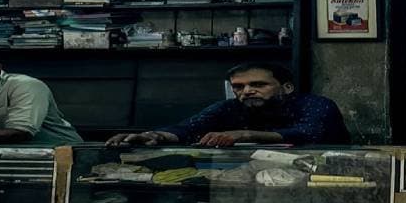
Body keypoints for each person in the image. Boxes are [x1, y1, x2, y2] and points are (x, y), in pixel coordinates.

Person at [105, 62, 349, 147]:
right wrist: (154, 135)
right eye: (239, 87)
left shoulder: (317, 105)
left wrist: (243, 134)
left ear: (286, 87)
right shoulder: (229, 108)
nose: (247, 91)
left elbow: (308, 133)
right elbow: (188, 128)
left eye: (258, 84)